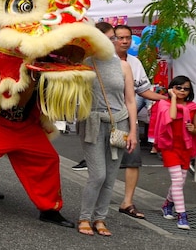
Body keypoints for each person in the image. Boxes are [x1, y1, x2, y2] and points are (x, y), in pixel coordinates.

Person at [76, 22, 137, 236]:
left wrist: (134, 132)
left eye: (115, 38)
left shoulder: (123, 66)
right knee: (98, 175)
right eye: (110, 38)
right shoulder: (84, 63)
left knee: (111, 177)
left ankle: (100, 219)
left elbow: (130, 101)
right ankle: (85, 217)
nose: (114, 42)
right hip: (91, 122)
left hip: (118, 123)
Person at [109, 24, 166, 219]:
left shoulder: (135, 62)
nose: (124, 41)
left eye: (128, 38)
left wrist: (166, 98)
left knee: (132, 159)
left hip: (127, 117)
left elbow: (142, 91)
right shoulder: (104, 60)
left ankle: (127, 202)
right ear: (113, 39)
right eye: (120, 38)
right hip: (106, 117)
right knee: (103, 162)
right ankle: (96, 206)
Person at [154, 76, 196, 230]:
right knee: (178, 180)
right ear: (172, 88)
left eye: (186, 88)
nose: (182, 91)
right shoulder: (164, 104)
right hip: (170, 147)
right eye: (179, 87)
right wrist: (172, 98)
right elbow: (170, 117)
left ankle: (167, 205)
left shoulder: (193, 107)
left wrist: (193, 129)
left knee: (180, 182)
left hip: (185, 147)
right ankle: (182, 215)